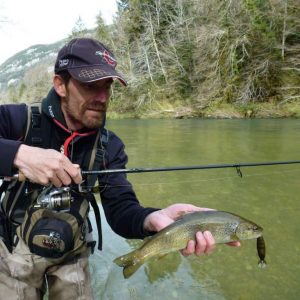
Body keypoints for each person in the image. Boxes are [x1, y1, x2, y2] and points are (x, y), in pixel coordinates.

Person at [0, 38, 239, 299]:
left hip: (71, 255)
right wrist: (19, 154)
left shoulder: (109, 146)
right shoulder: (17, 120)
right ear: (60, 85)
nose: (102, 97)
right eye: (90, 85)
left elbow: (121, 209)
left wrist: (151, 219)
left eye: (107, 86)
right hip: (13, 249)